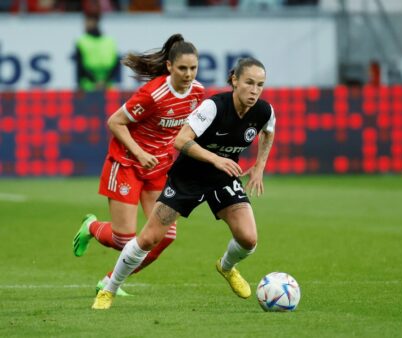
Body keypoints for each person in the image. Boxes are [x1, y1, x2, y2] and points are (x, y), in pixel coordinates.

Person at [91, 57, 276, 310]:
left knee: (249, 239)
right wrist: (215, 159)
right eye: (249, 83)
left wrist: (260, 167)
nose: (254, 91)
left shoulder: (264, 110)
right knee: (148, 238)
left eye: (260, 85)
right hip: (189, 176)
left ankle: (226, 267)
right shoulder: (213, 107)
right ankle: (109, 290)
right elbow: (180, 141)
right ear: (234, 81)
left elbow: (269, 130)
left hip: (222, 178)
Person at [73, 33, 205, 296]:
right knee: (124, 238)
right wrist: (140, 152)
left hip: (158, 169)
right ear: (169, 66)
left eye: (193, 68)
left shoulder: (198, 94)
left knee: (164, 237)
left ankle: (111, 281)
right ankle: (91, 226)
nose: (189, 74)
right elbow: (114, 122)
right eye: (182, 68)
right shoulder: (153, 94)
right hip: (127, 163)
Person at [74, 11, 120, 91]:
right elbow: (116, 66)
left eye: (87, 21)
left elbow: (80, 68)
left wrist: (96, 82)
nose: (84, 24)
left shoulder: (82, 41)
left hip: (88, 88)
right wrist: (104, 82)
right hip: (107, 87)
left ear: (94, 21)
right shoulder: (110, 41)